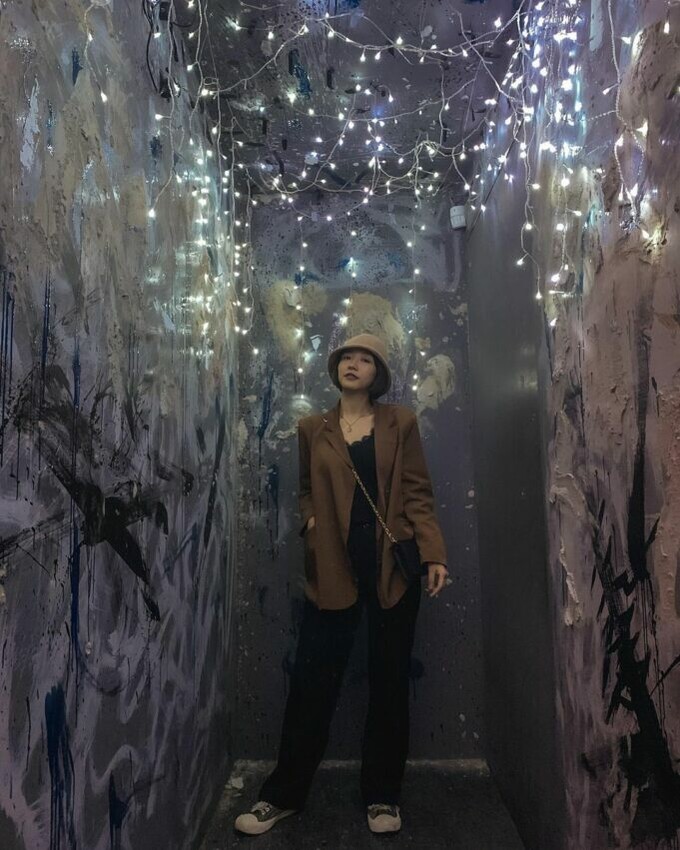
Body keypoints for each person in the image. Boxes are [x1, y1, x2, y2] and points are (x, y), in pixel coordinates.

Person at [234, 332, 450, 836]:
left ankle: (383, 796)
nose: (354, 364)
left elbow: (418, 492)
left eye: (365, 359)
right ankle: (282, 796)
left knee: (389, 684)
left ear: (378, 374)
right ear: (336, 370)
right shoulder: (313, 428)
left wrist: (434, 553)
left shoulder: (400, 422)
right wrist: (312, 523)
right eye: (346, 358)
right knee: (312, 685)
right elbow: (307, 489)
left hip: (392, 569)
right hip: (333, 568)